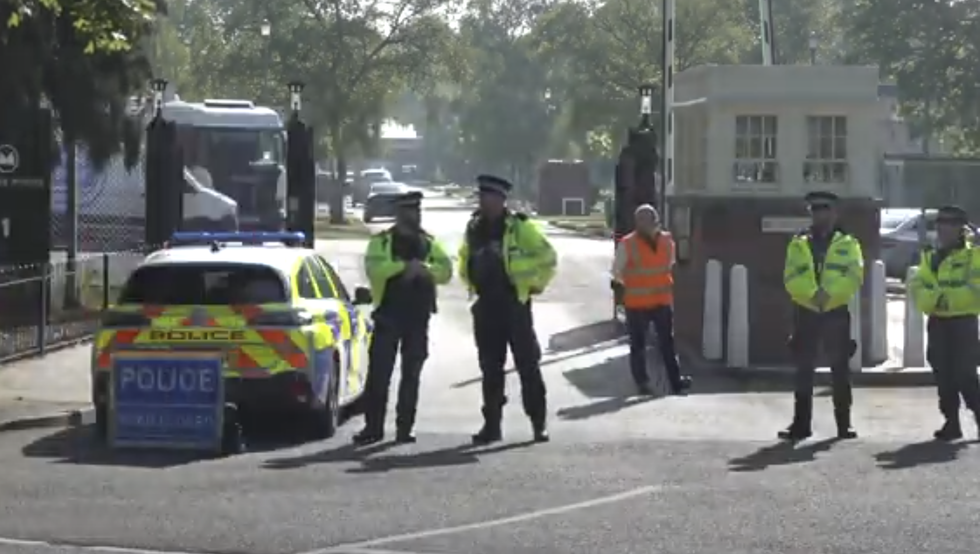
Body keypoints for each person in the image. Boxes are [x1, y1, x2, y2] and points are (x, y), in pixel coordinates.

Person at [458, 175, 557, 445]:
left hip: (514, 304)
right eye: (482, 196)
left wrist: (534, 285)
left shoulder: (518, 228)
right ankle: (492, 426)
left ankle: (538, 424)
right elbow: (465, 259)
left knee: (528, 365)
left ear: (501, 200)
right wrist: (472, 283)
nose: (484, 201)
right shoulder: (474, 227)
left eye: (490, 197)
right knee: (490, 368)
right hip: (486, 304)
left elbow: (548, 257)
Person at [353, 191, 453, 445]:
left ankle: (404, 428)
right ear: (399, 215)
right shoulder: (382, 242)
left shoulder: (428, 243)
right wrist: (404, 267)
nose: (413, 216)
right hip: (388, 315)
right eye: (408, 212)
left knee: (411, 376)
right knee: (379, 374)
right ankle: (372, 428)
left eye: (417, 212)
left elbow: (446, 272)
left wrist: (426, 270)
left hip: (418, 319)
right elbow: (374, 270)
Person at [781, 191, 864, 441]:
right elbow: (791, 277)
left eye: (825, 210)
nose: (821, 215)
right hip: (806, 311)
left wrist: (828, 295)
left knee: (840, 369)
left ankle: (844, 424)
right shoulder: (799, 243)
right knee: (803, 369)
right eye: (816, 211)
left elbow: (854, 276)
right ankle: (801, 425)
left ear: (834, 213)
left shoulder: (848, 243)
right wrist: (811, 295)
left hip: (835, 311)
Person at [908, 205, 980, 441]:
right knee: (943, 373)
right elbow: (919, 286)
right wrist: (936, 300)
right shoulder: (931, 257)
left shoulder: (973, 256)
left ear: (961, 228)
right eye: (940, 224)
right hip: (938, 322)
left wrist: (947, 299)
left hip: (963, 322)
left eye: (950, 224)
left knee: (966, 374)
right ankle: (951, 422)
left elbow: (976, 289)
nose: (943, 229)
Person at [611, 204, 691, 396]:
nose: (651, 225)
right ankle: (643, 383)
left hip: (660, 301)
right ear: (639, 223)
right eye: (647, 221)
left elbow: (668, 265)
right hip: (638, 304)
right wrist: (627, 288)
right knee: (639, 345)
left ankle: (675, 382)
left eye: (652, 221)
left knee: (667, 343)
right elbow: (616, 272)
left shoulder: (666, 241)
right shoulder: (628, 244)